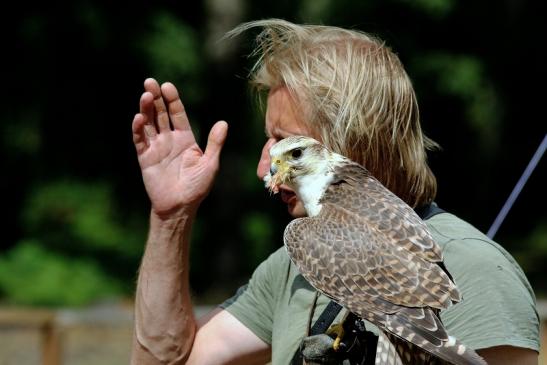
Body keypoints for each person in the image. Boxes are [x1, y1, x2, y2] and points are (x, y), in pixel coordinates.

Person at [130, 19, 540, 364]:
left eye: (285, 145)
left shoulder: (476, 271)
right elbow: (170, 361)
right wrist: (172, 216)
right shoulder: (297, 258)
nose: (263, 169)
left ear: (355, 144)